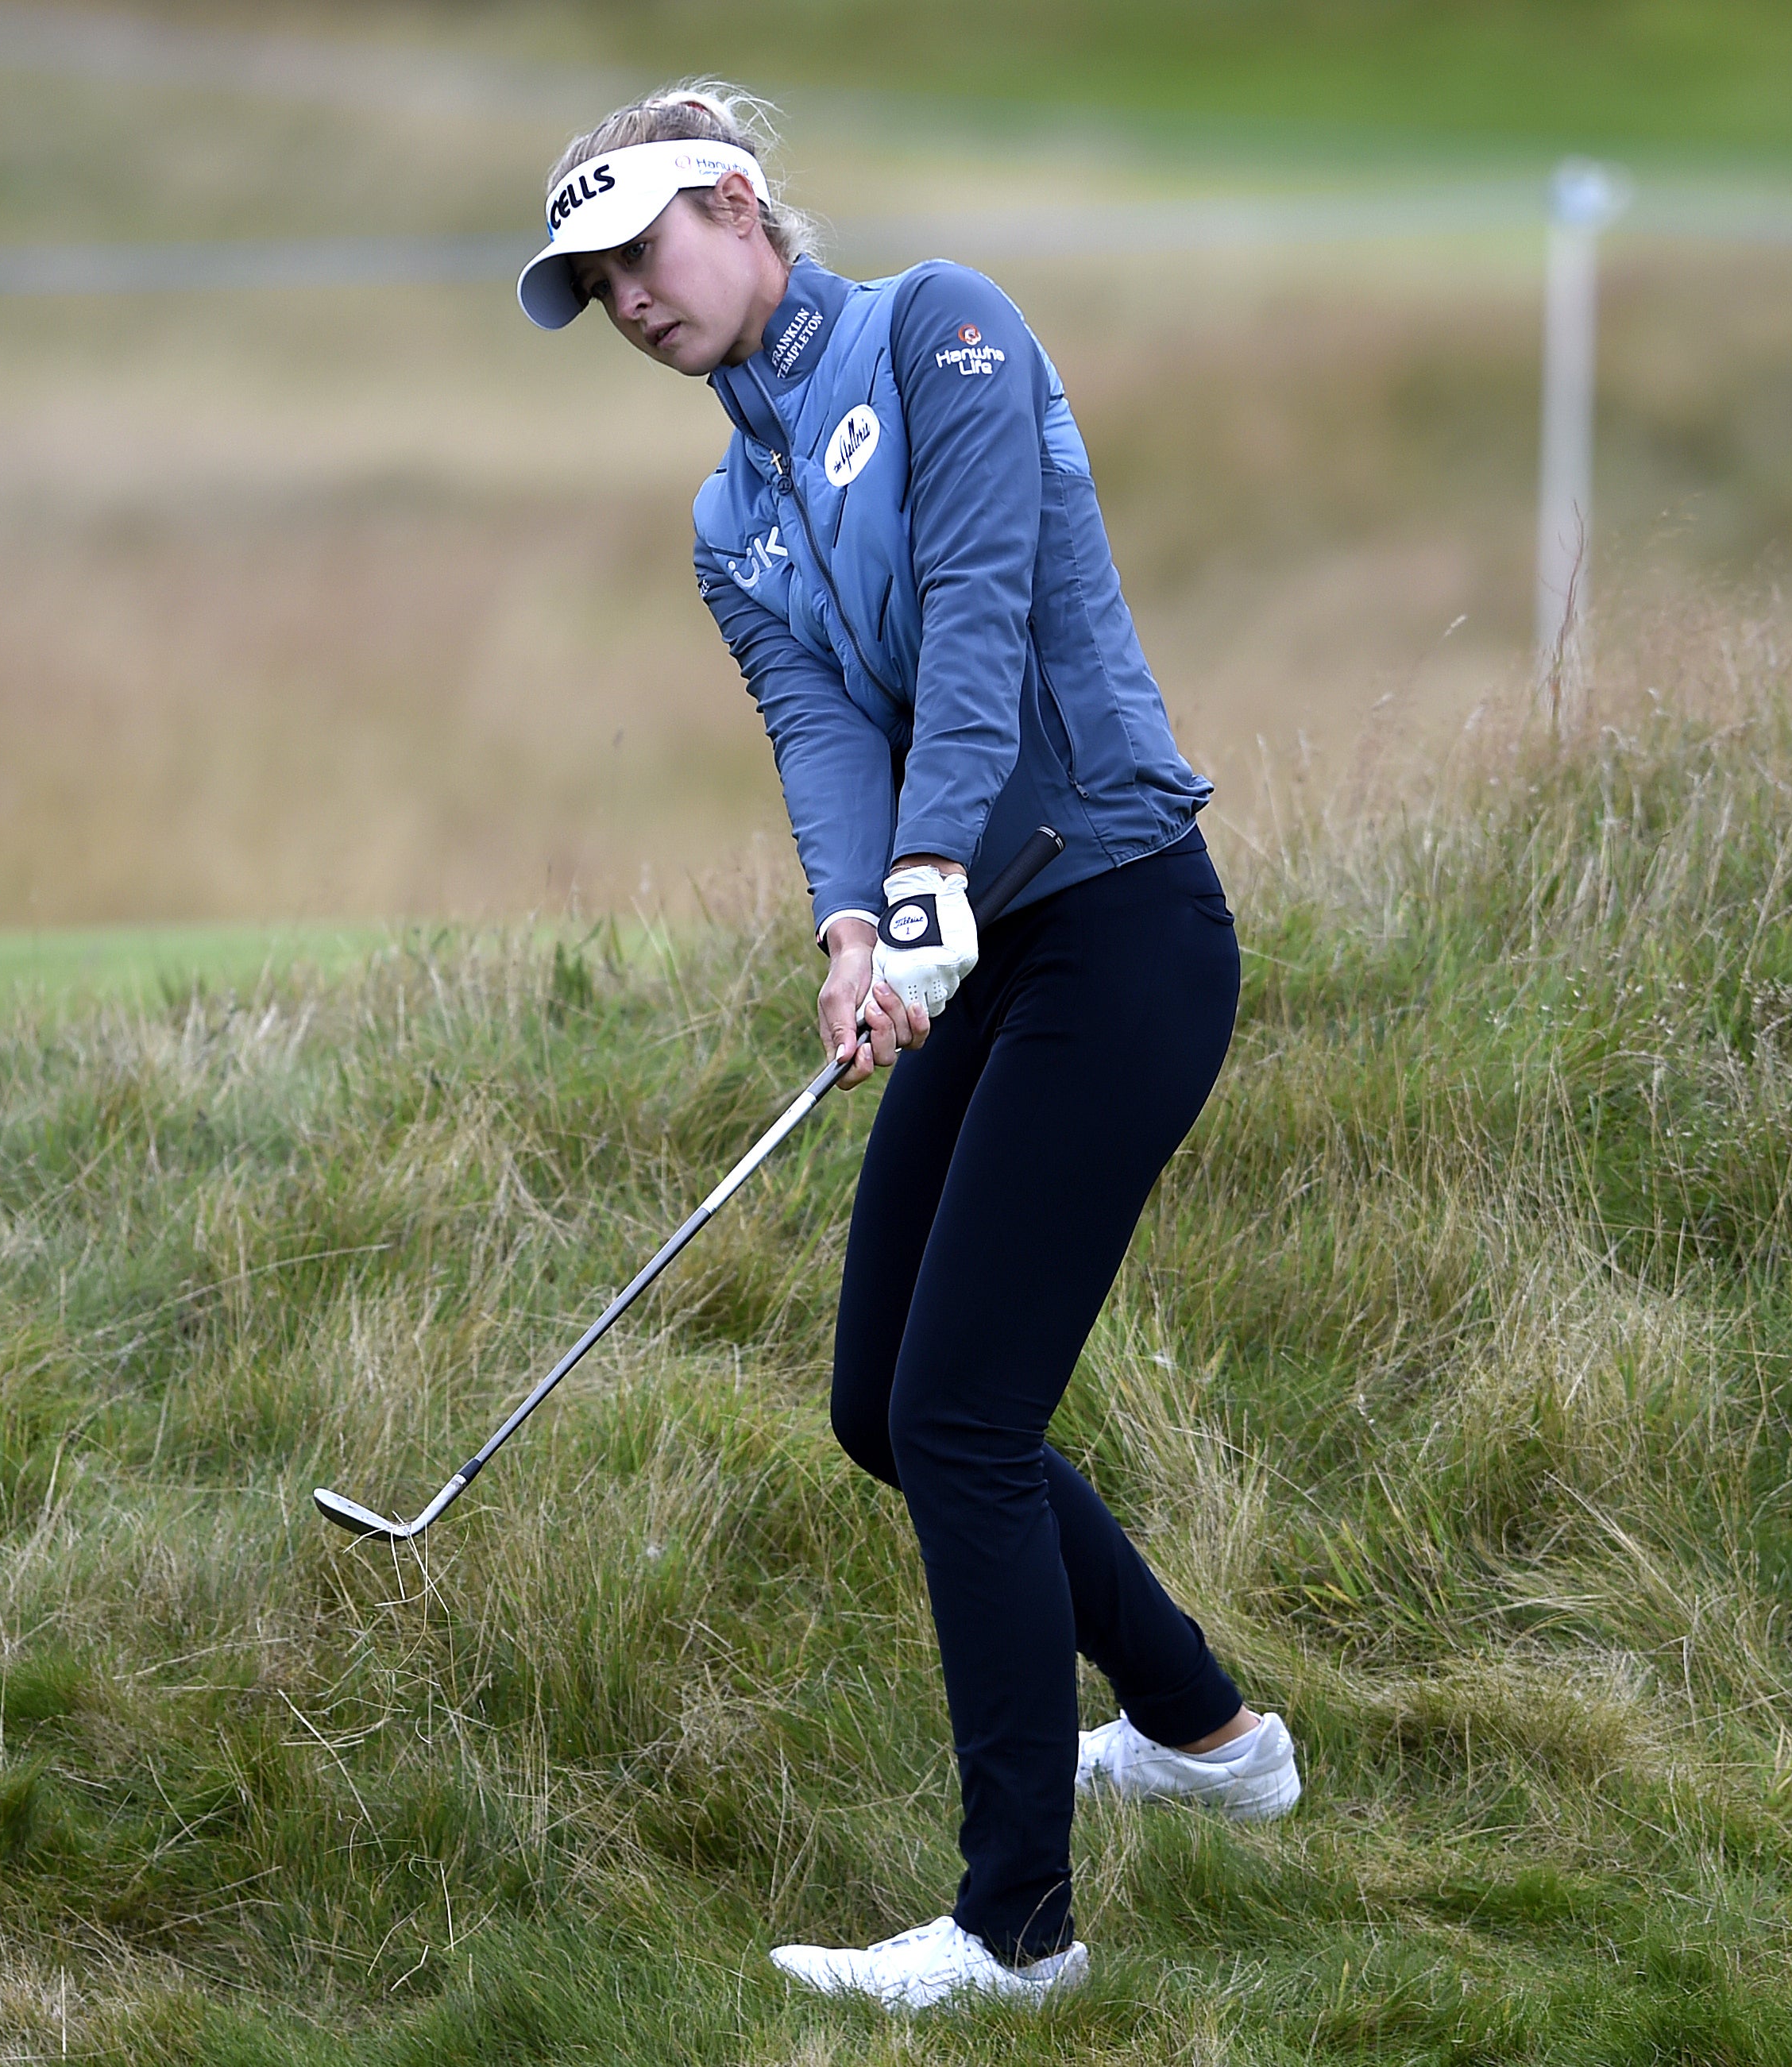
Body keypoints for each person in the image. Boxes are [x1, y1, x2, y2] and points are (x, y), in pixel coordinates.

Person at [516, 84, 1303, 2013]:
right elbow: (819, 729)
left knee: (959, 1415)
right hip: (979, 945)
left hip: (1115, 923)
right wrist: (858, 926)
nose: (626, 297)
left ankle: (1015, 1928)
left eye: (642, 249)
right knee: (888, 1400)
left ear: (739, 201)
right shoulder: (731, 511)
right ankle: (1208, 1735)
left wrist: (940, 864)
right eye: (592, 281)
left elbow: (977, 602)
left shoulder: (943, 324)